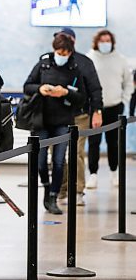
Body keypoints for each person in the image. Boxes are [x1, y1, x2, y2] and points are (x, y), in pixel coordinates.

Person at [24, 34, 86, 214]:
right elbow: (27, 86)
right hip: (41, 120)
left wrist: (66, 92)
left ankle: (53, 196)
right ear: (54, 50)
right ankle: (45, 187)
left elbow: (81, 98)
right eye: (59, 52)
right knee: (41, 162)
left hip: (63, 121)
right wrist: (40, 89)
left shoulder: (75, 69)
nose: (62, 55)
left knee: (59, 161)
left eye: (65, 53)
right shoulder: (43, 65)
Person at [55, 27, 103, 206]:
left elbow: (95, 88)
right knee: (57, 154)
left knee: (76, 153)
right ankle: (61, 188)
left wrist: (97, 111)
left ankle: (77, 190)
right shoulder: (49, 60)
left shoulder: (84, 62)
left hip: (80, 115)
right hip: (55, 116)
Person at [86, 30, 133, 188]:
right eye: (102, 40)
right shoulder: (90, 58)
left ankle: (114, 173)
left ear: (112, 42)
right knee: (94, 142)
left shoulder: (120, 60)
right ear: (97, 42)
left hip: (115, 107)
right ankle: (93, 175)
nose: (105, 43)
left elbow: (128, 83)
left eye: (108, 40)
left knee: (113, 143)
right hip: (95, 109)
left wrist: (124, 101)